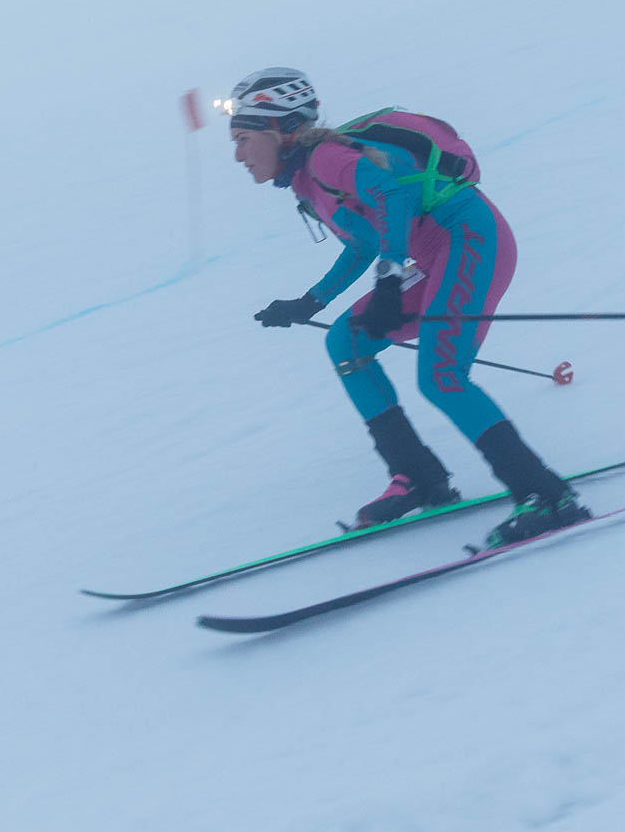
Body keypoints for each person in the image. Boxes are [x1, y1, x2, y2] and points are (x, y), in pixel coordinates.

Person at [229, 66, 587, 548]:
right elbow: (363, 242)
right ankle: (418, 477)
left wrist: (390, 278)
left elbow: (393, 194)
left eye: (243, 139)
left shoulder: (326, 159)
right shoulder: (306, 182)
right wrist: (309, 302)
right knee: (345, 340)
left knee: (441, 375)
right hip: (436, 253)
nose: (238, 155)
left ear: (278, 130)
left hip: (469, 236)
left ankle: (547, 496)